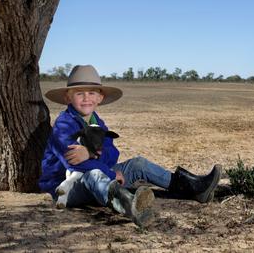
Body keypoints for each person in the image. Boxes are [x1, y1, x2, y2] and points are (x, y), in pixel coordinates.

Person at [39, 64, 222, 227]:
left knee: (138, 164)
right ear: (67, 97)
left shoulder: (98, 123)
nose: (86, 98)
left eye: (92, 93)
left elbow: (112, 152)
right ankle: (130, 206)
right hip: (66, 188)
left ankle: (194, 188)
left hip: (101, 174)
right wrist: (110, 172)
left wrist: (91, 154)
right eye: (80, 93)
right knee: (93, 175)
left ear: (100, 97)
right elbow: (74, 163)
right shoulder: (63, 125)